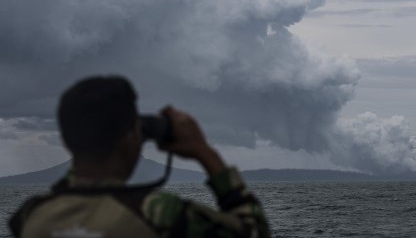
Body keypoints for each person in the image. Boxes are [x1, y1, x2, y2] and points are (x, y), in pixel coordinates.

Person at [9, 76, 271, 238]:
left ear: (66, 140)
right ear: (130, 140)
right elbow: (254, 232)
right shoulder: (162, 215)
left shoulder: (29, 217)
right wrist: (205, 152)